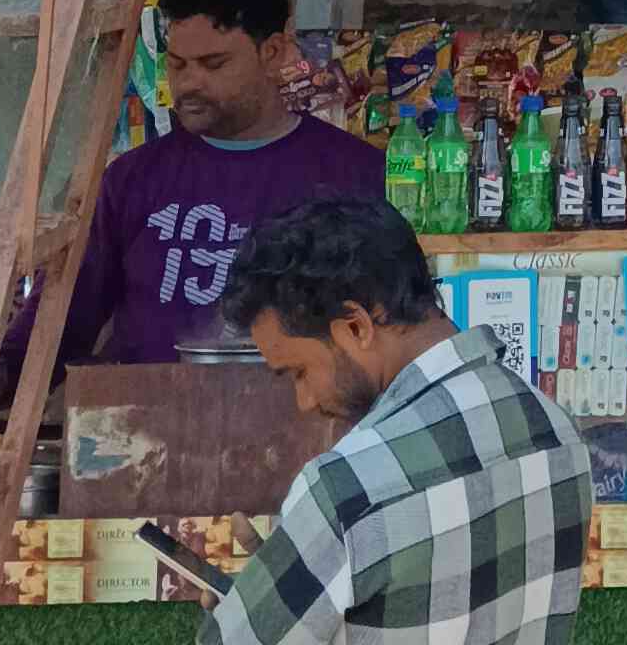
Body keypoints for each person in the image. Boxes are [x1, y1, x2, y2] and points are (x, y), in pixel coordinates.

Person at [214, 200, 589, 645]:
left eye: (298, 373)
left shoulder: (346, 491)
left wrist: (256, 611)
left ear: (356, 326)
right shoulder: (557, 430)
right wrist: (290, 589)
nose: (304, 401)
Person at [0, 0, 385, 387]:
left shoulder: (354, 174)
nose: (189, 83)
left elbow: (390, 332)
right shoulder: (131, 179)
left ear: (273, 53)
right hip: (141, 416)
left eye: (214, 64)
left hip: (302, 415)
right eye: (178, 64)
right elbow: (61, 319)